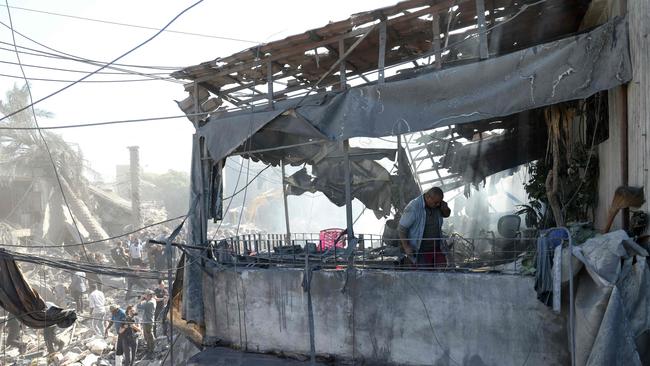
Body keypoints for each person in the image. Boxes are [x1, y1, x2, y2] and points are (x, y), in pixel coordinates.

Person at [399, 187, 451, 268]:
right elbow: (402, 228)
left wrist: (445, 208)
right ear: (428, 197)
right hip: (420, 250)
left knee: (442, 273)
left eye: (439, 202)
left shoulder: (438, 204)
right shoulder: (414, 207)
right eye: (436, 202)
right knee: (424, 273)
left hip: (437, 248)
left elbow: (446, 214)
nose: (438, 204)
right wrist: (406, 247)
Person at [138, 289, 156, 356]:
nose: (145, 296)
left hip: (148, 321)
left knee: (149, 336)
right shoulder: (152, 301)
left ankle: (151, 349)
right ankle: (149, 348)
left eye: (146, 295)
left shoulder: (149, 303)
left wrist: (141, 299)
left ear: (149, 296)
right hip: (148, 320)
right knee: (147, 336)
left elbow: (139, 306)